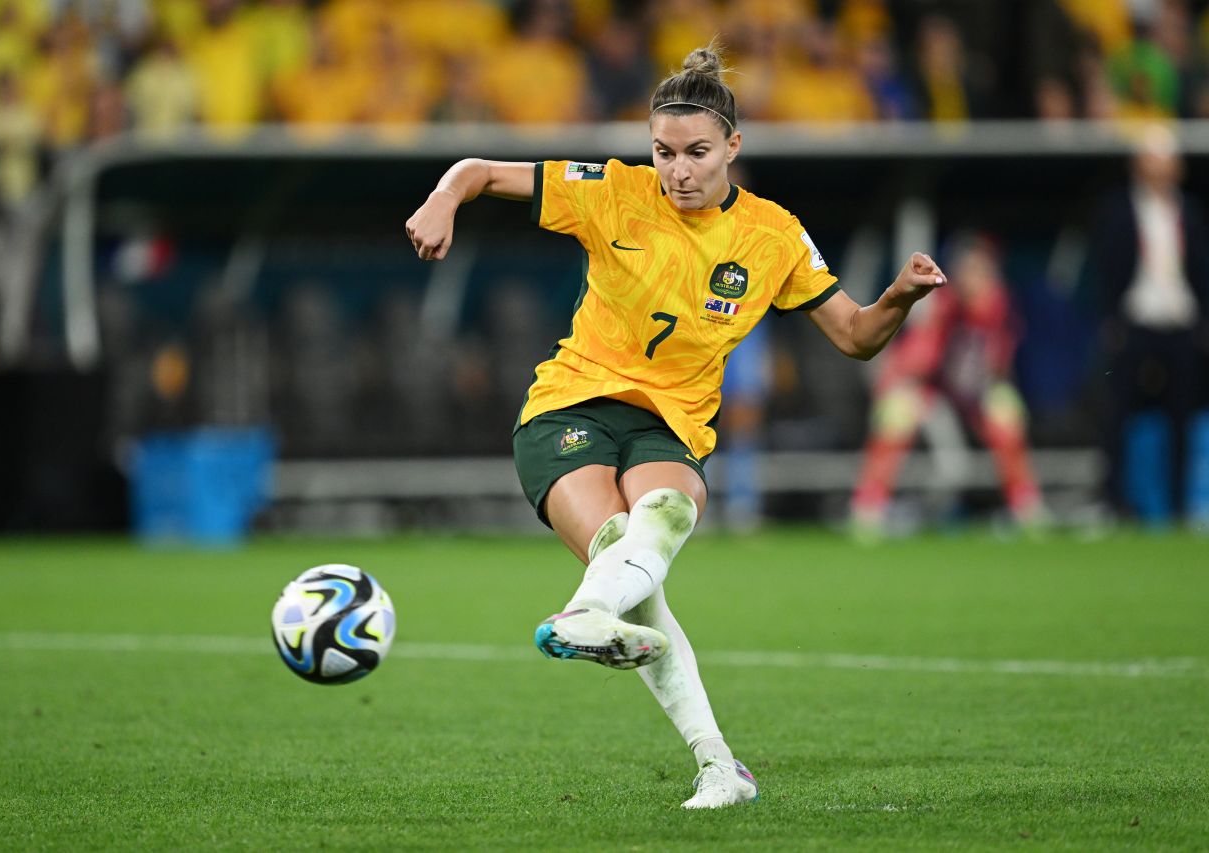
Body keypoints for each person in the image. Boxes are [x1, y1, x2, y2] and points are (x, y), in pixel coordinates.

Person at [404, 43, 946, 810]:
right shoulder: (612, 191)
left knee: (655, 530)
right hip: (569, 408)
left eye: (695, 152)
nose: (678, 170)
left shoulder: (773, 235)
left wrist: (899, 295)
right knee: (630, 567)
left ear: (733, 146)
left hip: (671, 425)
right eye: (663, 152)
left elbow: (856, 336)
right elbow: (479, 169)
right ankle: (714, 757)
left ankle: (622, 655)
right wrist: (442, 199)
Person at [849, 233, 1045, 537]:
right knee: (896, 410)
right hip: (935, 394)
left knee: (1005, 409)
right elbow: (913, 362)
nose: (974, 280)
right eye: (968, 271)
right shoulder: (941, 307)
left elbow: (998, 367)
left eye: (981, 271)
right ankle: (868, 507)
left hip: (975, 397)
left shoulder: (1000, 308)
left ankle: (1025, 506)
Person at [1094, 124, 1209, 523]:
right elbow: (1105, 268)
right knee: (1116, 416)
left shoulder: (1189, 212)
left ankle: (1179, 507)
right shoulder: (1118, 209)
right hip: (1135, 322)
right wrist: (1111, 319)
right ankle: (1115, 503)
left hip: (1179, 323)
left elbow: (1199, 269)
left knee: (1182, 418)